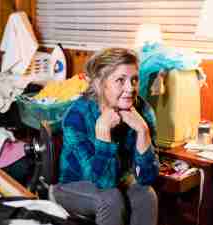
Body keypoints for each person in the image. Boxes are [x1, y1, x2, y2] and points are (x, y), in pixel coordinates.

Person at [50, 48, 159, 225]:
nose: (130, 88)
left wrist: (143, 132)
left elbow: (147, 178)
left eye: (134, 80)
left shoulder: (143, 112)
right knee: (110, 199)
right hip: (71, 186)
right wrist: (103, 135)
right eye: (120, 80)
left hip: (118, 181)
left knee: (146, 195)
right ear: (101, 83)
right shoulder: (76, 116)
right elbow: (103, 182)